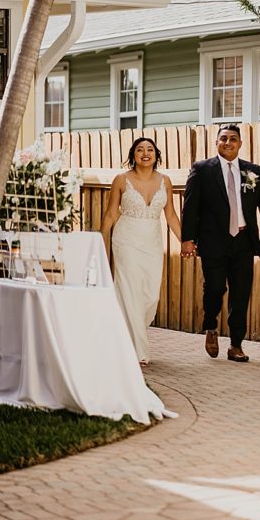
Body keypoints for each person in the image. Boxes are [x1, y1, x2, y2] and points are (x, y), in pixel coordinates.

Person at [180, 125, 260, 363]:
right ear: (216, 142)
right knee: (214, 288)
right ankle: (211, 326)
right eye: (223, 138)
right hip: (213, 241)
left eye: (233, 139)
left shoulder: (253, 171)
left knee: (241, 294)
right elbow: (190, 206)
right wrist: (187, 239)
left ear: (240, 143)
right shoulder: (202, 170)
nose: (228, 142)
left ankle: (236, 345)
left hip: (243, 241)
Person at [102, 137, 183, 367]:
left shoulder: (165, 181)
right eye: (140, 149)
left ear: (156, 155)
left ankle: (122, 339)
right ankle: (138, 351)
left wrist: (186, 241)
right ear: (133, 155)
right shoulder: (121, 180)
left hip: (152, 241)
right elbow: (110, 214)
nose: (145, 153)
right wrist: (100, 238)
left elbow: (171, 216)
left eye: (149, 149)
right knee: (129, 291)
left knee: (150, 295)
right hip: (126, 239)